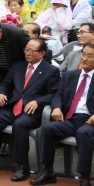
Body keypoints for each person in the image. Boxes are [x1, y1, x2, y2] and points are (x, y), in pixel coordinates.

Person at [0, 38, 60, 181]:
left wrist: (38, 102)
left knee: (20, 124)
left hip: (32, 111)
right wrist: (2, 92)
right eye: (26, 50)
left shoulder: (51, 70)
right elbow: (5, 84)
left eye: (31, 51)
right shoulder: (18, 66)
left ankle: (22, 166)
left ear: (41, 53)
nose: (27, 53)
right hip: (13, 108)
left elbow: (53, 93)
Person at [32, 44, 94, 186]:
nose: (83, 58)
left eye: (89, 56)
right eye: (83, 54)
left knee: (84, 133)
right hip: (70, 118)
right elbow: (58, 95)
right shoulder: (69, 76)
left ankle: (84, 177)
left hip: (89, 121)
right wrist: (56, 108)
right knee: (47, 129)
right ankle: (48, 172)